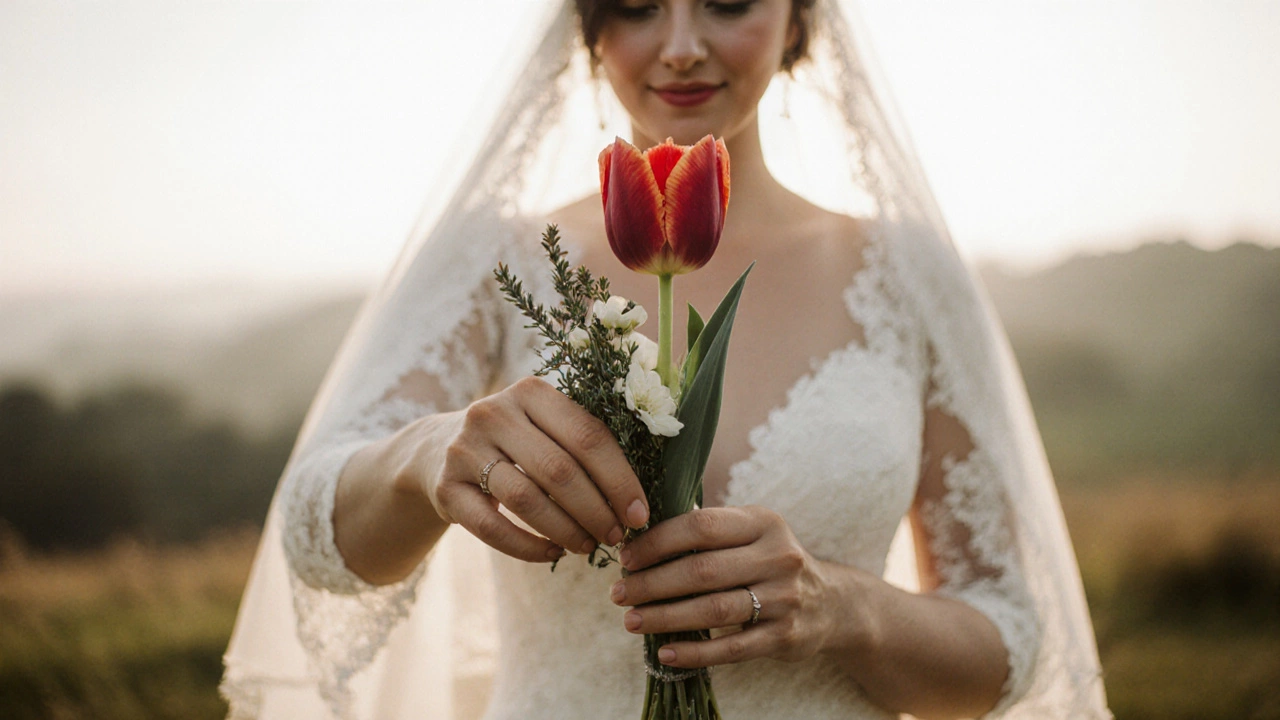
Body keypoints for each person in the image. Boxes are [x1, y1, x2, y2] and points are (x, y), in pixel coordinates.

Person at [221, 1, 1111, 719]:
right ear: (589, 29)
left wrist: (844, 608)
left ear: (800, 18)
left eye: (727, 3)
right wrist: (425, 455)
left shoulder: (908, 273)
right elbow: (319, 540)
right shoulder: (496, 261)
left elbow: (1005, 647)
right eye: (638, 6)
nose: (681, 46)